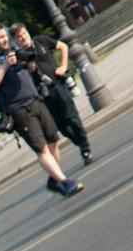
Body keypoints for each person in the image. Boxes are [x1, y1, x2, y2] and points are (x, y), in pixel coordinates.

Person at [0, 22, 81, 197]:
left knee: (53, 139)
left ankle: (54, 179)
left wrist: (28, 63)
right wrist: (5, 67)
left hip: (35, 100)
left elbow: (31, 70)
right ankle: (64, 182)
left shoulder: (14, 52)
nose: (4, 40)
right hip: (18, 110)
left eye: (5, 36)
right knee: (41, 148)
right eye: (0, 37)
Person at [9, 21, 92, 166]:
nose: (23, 38)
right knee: (60, 126)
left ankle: (85, 148)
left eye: (24, 34)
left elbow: (63, 46)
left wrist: (64, 66)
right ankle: (79, 142)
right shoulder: (20, 56)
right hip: (43, 94)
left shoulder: (40, 41)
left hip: (57, 85)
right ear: (16, 41)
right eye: (19, 37)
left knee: (71, 117)